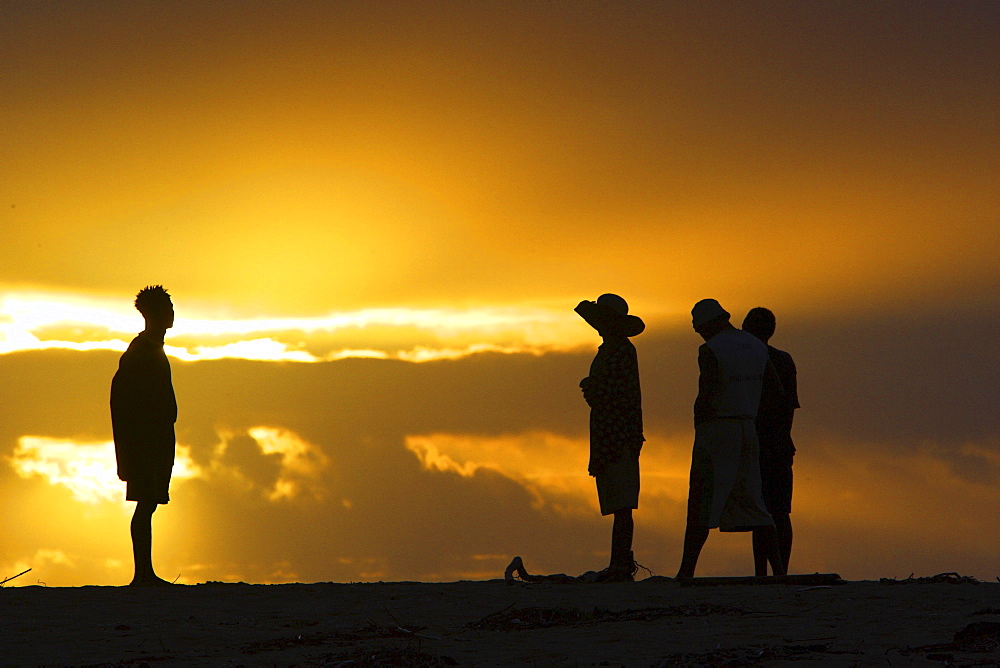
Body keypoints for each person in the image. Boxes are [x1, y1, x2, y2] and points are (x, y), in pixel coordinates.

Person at [676, 299, 786, 579]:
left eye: (699, 329)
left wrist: (700, 426)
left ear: (708, 325)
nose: (700, 334)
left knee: (702, 498)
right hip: (748, 429)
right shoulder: (756, 346)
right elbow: (776, 391)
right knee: (756, 502)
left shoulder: (710, 349)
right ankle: (779, 572)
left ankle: (686, 572)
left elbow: (706, 393)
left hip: (717, 430)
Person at [110, 285, 178, 586]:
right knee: (146, 503)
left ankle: (145, 573)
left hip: (156, 440)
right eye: (167, 309)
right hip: (145, 443)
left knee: (149, 503)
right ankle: (143, 574)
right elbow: (123, 402)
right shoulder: (140, 353)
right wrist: (135, 446)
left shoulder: (152, 349)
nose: (172, 314)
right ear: (155, 314)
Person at [575, 293, 645, 582]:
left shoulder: (617, 351)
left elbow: (608, 396)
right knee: (620, 503)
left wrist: (589, 386)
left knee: (621, 504)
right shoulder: (616, 350)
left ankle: (619, 564)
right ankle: (619, 562)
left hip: (616, 435)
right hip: (616, 434)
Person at [743, 307, 799, 575]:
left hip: (761, 443)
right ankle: (778, 572)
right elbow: (790, 408)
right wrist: (785, 438)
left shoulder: (751, 361)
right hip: (778, 442)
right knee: (777, 511)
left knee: (764, 510)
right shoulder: (784, 360)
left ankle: (763, 573)